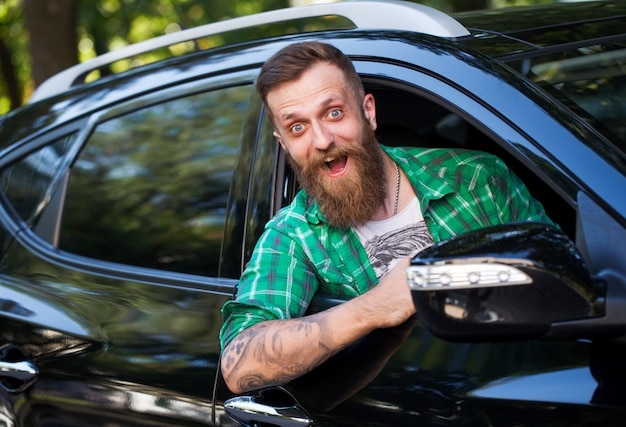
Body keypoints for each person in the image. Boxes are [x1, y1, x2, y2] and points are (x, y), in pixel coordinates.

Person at [219, 41, 554, 394]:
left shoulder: (477, 179)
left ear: (368, 112)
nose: (321, 140)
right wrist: (372, 310)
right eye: (297, 128)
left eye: (334, 113)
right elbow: (239, 364)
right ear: (284, 145)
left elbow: (568, 283)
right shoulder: (295, 235)